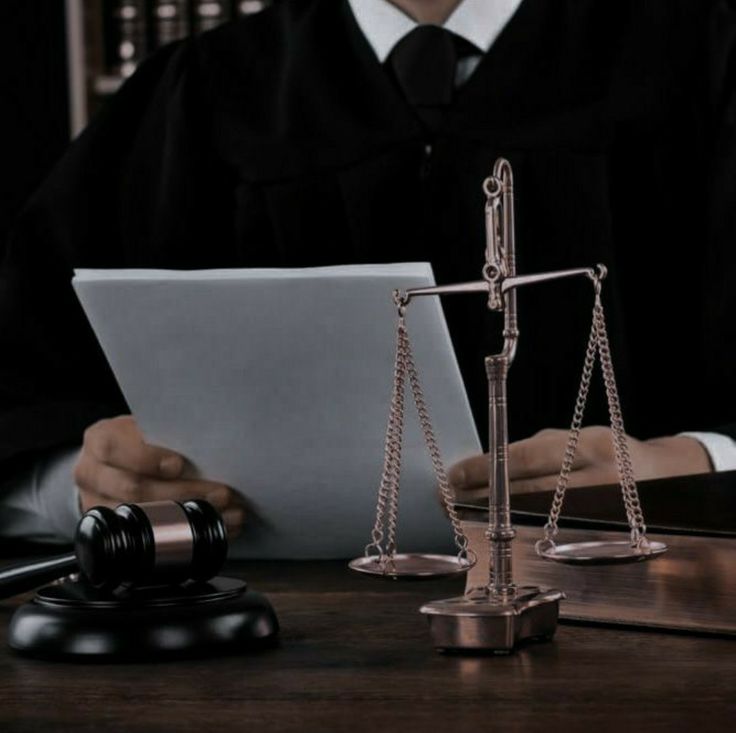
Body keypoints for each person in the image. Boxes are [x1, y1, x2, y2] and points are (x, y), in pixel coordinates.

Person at [1, 0, 734, 543]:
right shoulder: (197, 96)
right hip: (261, 667)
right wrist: (88, 481)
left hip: (640, 641)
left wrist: (695, 464)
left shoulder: (707, 60)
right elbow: (25, 394)